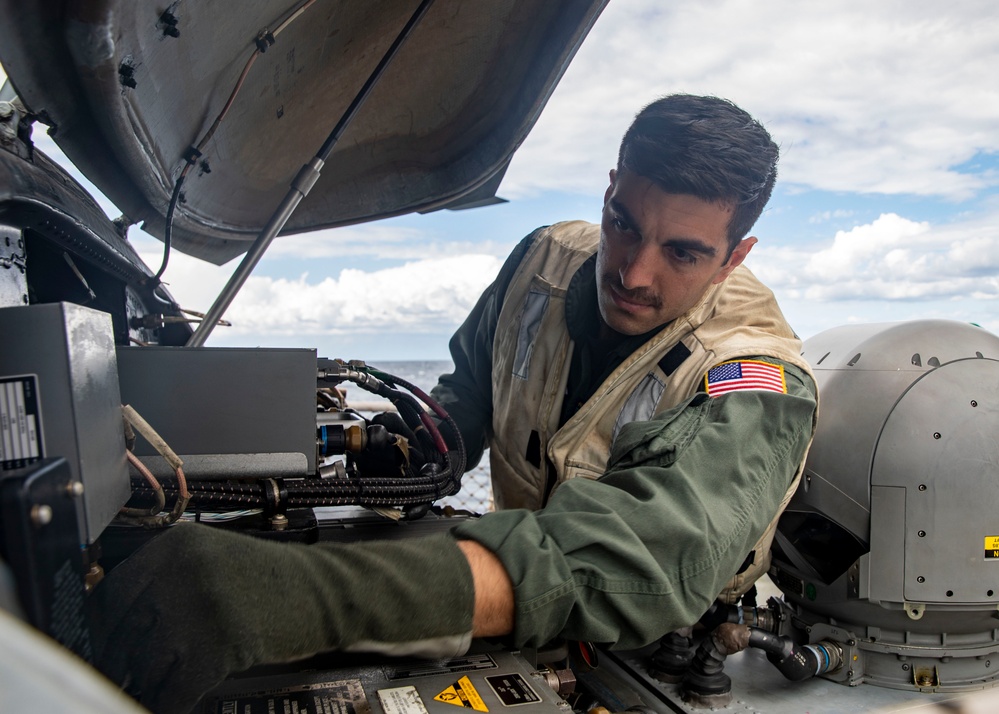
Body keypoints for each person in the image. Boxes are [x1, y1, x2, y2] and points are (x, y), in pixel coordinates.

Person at [90, 94, 817, 713]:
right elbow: (471, 386)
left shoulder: (755, 378)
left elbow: (643, 555)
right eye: (622, 222)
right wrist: (415, 452)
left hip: (651, 649)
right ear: (607, 191)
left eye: (682, 253)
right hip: (515, 594)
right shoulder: (541, 258)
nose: (632, 270)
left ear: (735, 256)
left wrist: (306, 595)